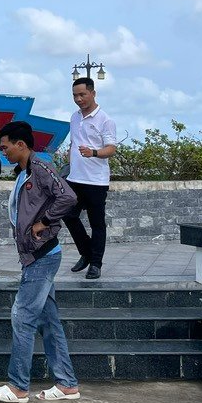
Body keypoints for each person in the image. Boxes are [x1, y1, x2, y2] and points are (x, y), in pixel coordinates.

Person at [0, 121, 81, 403]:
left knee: (23, 316)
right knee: (49, 322)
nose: (3, 152)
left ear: (21, 145)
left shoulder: (39, 168)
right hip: (36, 257)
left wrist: (45, 221)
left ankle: (18, 387)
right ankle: (67, 384)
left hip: (42, 257)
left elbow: (68, 196)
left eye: (5, 147)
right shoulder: (25, 172)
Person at [64, 76, 117, 280]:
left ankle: (95, 264)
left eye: (82, 94)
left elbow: (111, 149)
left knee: (97, 224)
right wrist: (69, 164)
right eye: (75, 95)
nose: (78, 99)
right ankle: (86, 253)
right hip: (75, 178)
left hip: (96, 181)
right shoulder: (74, 117)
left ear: (93, 93)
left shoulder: (105, 120)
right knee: (67, 215)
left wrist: (94, 153)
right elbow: (73, 143)